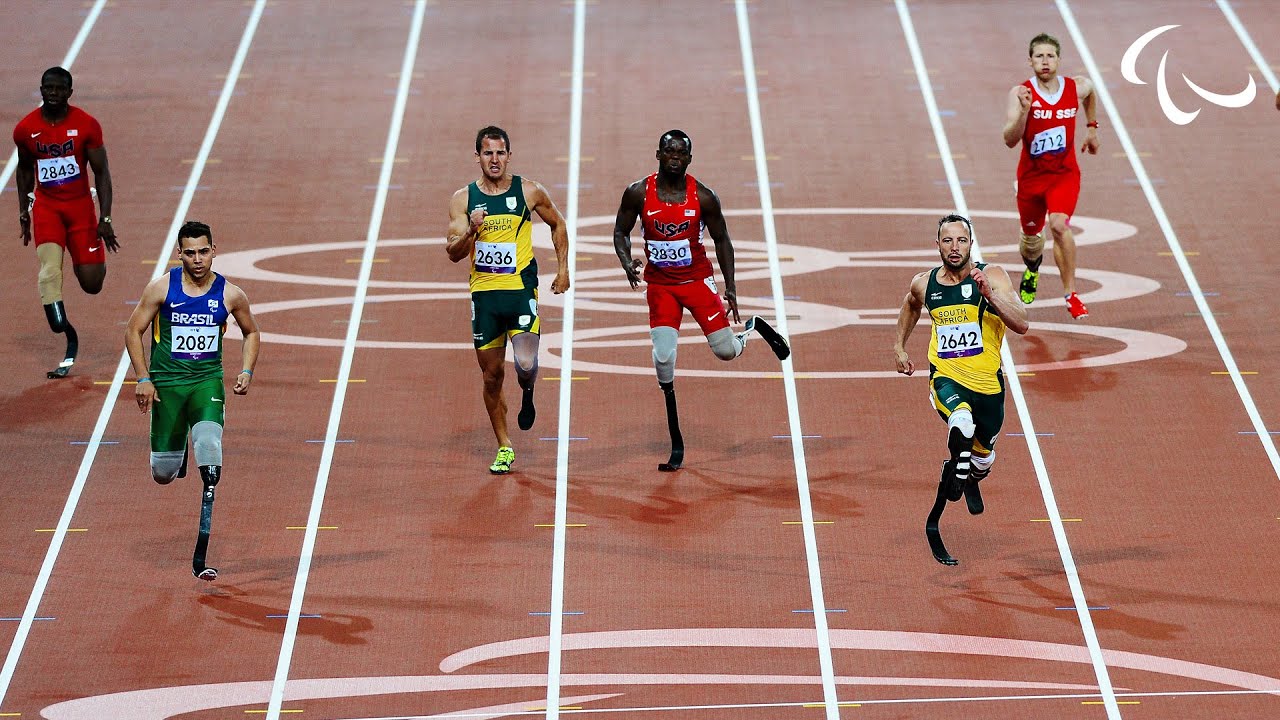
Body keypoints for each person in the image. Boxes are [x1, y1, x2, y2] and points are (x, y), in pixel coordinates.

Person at [613, 130, 791, 472]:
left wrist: (732, 287)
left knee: (725, 352)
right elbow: (620, 230)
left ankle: (752, 328)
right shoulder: (638, 192)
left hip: (696, 282)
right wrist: (626, 261)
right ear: (659, 154)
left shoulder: (704, 197)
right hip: (661, 286)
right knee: (663, 358)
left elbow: (723, 239)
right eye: (669, 152)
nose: (675, 158)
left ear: (690, 159)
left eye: (681, 153)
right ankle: (675, 437)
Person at [125, 221, 260, 581]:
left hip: (206, 383)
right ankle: (178, 450)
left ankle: (200, 554)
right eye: (190, 252)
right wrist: (143, 378)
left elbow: (251, 332)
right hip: (167, 385)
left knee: (210, 447)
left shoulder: (231, 295)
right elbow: (133, 330)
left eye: (203, 251)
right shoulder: (161, 288)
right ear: (179, 254)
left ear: (214, 251)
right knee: (163, 475)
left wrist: (246, 370)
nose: (197, 259)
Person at [893, 214, 1029, 566]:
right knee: (961, 422)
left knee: (983, 459)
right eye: (948, 241)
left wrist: (990, 297)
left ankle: (970, 471)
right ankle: (954, 475)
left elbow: (1022, 323)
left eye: (962, 241)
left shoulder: (993, 276)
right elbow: (910, 306)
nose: (955, 248)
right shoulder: (924, 284)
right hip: (947, 377)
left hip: (988, 385)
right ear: (937, 245)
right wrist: (900, 347)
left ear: (971, 244)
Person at [446, 126, 570, 475]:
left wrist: (563, 271)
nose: (495, 160)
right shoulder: (463, 199)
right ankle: (504, 446)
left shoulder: (529, 191)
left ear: (509, 155)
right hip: (484, 297)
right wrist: (471, 230)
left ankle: (527, 391)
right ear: (478, 157)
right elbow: (453, 253)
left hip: (520, 292)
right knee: (491, 376)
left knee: (527, 364)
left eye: (500, 153)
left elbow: (558, 225)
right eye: (488, 153)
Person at [14, 66, 118, 378]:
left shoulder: (86, 125)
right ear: (41, 90)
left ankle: (82, 256)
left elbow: (102, 172)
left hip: (80, 209)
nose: (54, 93)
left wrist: (106, 217)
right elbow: (23, 170)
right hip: (47, 207)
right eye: (49, 88)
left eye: (60, 89)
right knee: (48, 270)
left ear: (69, 93)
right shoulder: (25, 129)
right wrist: (23, 211)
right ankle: (60, 324)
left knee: (92, 283)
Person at [1002, 33, 1098, 320]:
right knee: (1032, 243)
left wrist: (1092, 128)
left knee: (1058, 225)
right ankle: (1032, 269)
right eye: (1039, 56)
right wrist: (1024, 112)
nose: (1045, 61)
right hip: (1032, 180)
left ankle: (1071, 295)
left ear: (1059, 60)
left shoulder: (1076, 87)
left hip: (1063, 176)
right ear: (1030, 61)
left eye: (1050, 56)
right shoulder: (1020, 93)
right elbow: (1009, 139)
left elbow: (1091, 92)